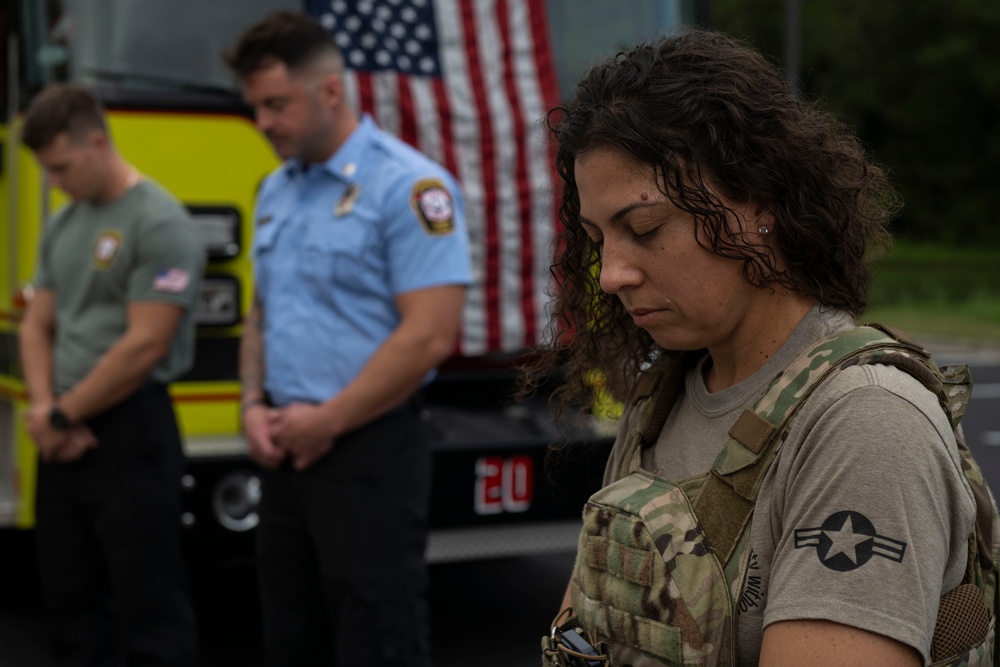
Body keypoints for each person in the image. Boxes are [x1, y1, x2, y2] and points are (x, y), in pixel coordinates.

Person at [533, 30, 998, 666]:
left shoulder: (865, 424)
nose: (611, 274)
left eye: (644, 228)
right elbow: (582, 629)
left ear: (761, 202)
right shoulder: (665, 392)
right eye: (597, 239)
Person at [223, 11, 471, 667]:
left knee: (377, 636)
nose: (264, 123)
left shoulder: (410, 187)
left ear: (330, 91)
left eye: (276, 104)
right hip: (285, 448)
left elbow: (430, 335)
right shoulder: (274, 191)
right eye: (256, 108)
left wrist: (327, 420)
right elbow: (260, 313)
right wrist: (251, 404)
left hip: (369, 450)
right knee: (289, 634)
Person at [19, 83, 203, 666]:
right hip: (63, 429)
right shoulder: (64, 223)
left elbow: (145, 344)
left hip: (131, 430)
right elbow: (37, 326)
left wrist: (62, 415)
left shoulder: (161, 222)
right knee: (69, 597)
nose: (53, 182)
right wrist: (49, 408)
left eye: (61, 167)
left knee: (148, 598)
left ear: (98, 143)